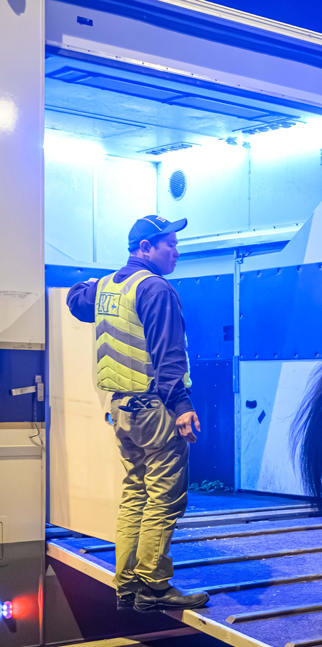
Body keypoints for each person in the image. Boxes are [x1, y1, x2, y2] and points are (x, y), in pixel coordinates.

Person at [66, 215, 208, 613]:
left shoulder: (110, 286)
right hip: (156, 408)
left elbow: (75, 299)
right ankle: (154, 587)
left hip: (122, 409)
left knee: (135, 493)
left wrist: (91, 283)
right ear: (145, 248)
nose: (176, 252)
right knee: (164, 499)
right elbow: (169, 355)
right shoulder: (155, 289)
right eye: (169, 245)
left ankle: (126, 584)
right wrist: (182, 406)